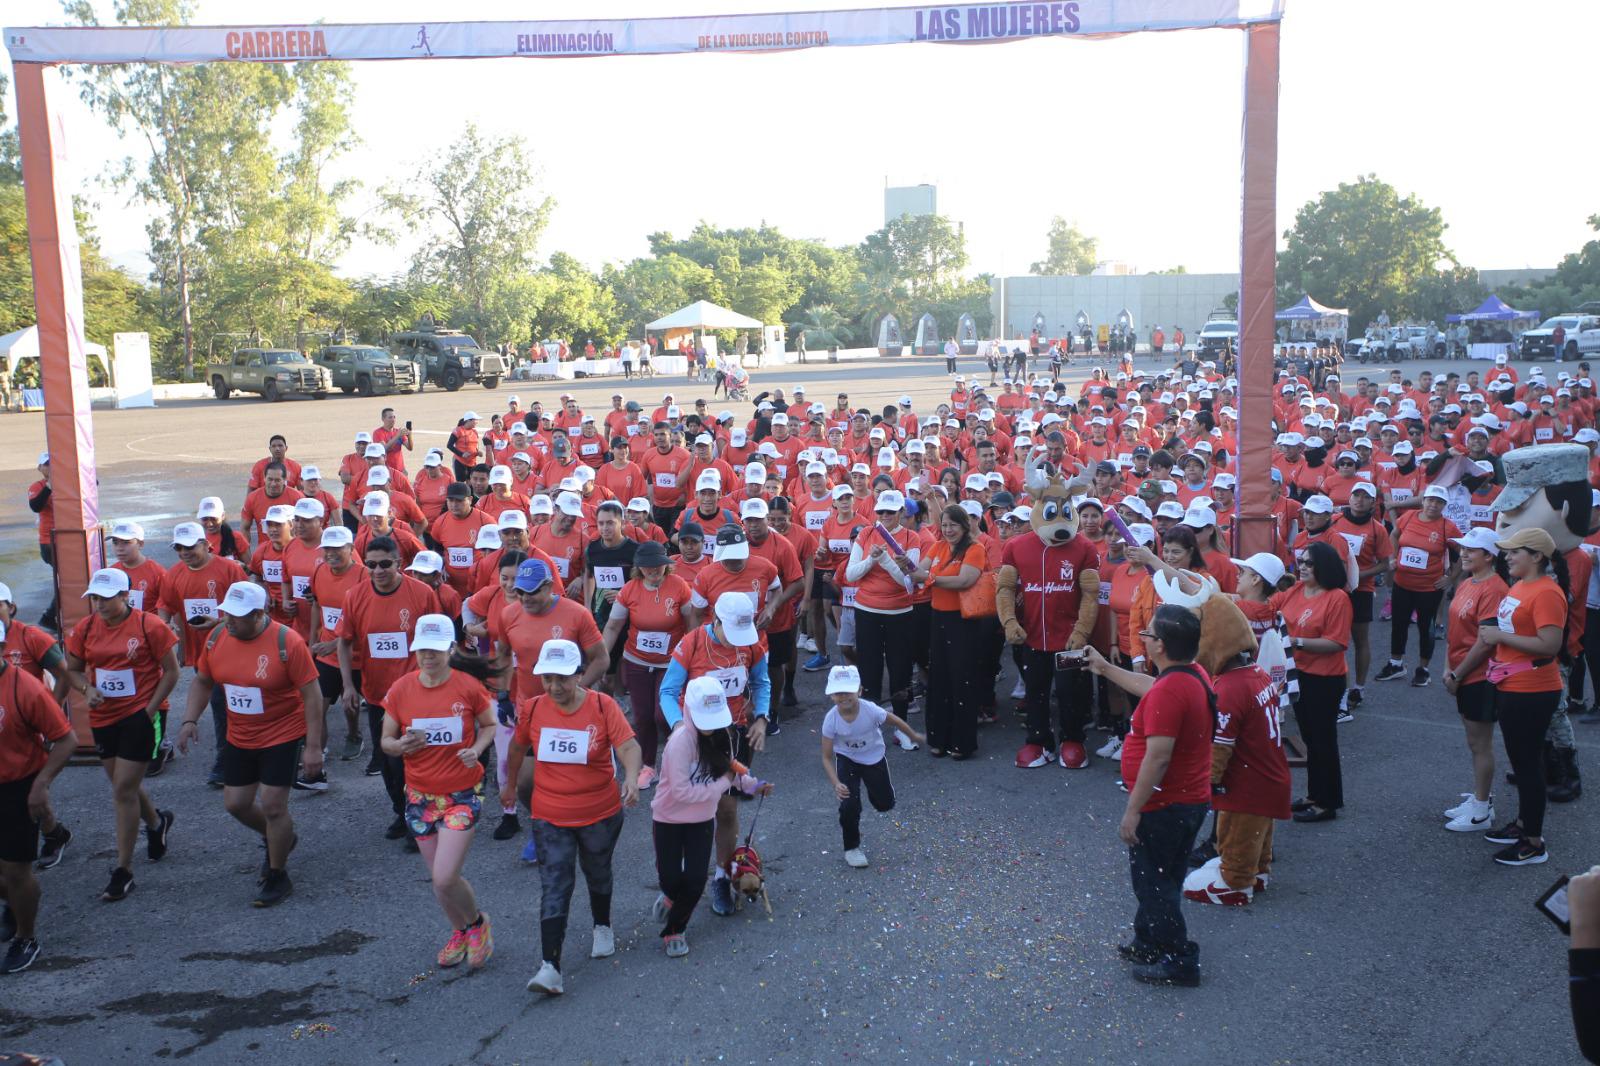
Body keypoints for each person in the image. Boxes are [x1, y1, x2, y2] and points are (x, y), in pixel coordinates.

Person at [501, 639, 642, 996]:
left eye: (562, 678)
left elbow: (628, 746)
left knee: (597, 872)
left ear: (579, 675)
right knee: (555, 884)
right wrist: (509, 784)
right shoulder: (533, 709)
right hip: (550, 814)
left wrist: (630, 778)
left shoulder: (602, 705)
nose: (554, 687)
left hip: (599, 812)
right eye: (547, 679)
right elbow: (517, 747)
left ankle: (602, 924)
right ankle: (550, 966)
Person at [175, 582, 323, 906]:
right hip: (240, 735)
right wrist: (188, 721)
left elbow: (312, 696)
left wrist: (313, 747)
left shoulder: (288, 642)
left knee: (273, 805)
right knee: (236, 804)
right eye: (226, 614)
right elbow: (202, 681)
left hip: (282, 733)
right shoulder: (216, 638)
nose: (229, 621)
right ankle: (280, 837)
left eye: (237, 617)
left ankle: (277, 874)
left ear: (259, 614)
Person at [1089, 604, 1213, 986]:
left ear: (1160, 645)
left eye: (1147, 634)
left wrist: (1133, 810)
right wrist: (1104, 667)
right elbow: (1154, 688)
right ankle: (1147, 942)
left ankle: (1179, 959)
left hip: (1165, 806)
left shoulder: (1168, 693)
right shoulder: (1190, 674)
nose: (1142, 638)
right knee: (1162, 876)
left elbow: (1158, 758)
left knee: (1154, 884)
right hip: (1188, 800)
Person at [380, 615, 497, 971]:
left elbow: (489, 725)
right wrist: (399, 746)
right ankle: (459, 930)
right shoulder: (401, 689)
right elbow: (385, 741)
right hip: (419, 795)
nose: (427, 657)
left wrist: (475, 750)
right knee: (439, 880)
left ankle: (478, 924)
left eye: (435, 650)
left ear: (450, 649)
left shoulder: (467, 687)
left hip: (462, 792)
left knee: (446, 875)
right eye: (421, 650)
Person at [62, 568, 181, 902]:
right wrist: (88, 689)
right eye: (95, 598)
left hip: (138, 716)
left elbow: (172, 672)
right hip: (103, 717)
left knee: (122, 791)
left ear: (125, 596)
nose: (99, 604)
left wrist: (149, 709)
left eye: (106, 597)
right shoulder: (85, 629)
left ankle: (123, 870)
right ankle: (157, 823)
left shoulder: (149, 625)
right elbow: (71, 670)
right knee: (123, 787)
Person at [659, 592, 771, 918]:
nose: (736, 642)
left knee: (726, 809)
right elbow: (667, 691)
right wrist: (681, 727)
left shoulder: (752, 645)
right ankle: (679, 878)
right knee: (690, 812)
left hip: (734, 735)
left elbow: (761, 683)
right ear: (716, 620)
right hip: (695, 737)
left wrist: (761, 717)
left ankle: (722, 876)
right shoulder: (692, 644)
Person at [651, 675, 770, 957]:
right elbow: (681, 791)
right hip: (668, 818)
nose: (710, 727)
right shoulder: (679, 742)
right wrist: (722, 784)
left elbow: (730, 766)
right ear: (690, 710)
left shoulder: (723, 735)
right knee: (670, 878)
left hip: (701, 820)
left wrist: (752, 784)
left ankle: (675, 930)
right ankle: (669, 897)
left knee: (694, 880)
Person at [336, 536, 442, 845]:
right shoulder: (355, 596)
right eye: (371, 565)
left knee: (413, 759)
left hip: (416, 693)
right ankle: (402, 810)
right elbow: (343, 641)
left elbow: (437, 641)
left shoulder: (421, 593)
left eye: (385, 564)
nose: (378, 570)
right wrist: (347, 686)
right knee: (387, 761)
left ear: (398, 563)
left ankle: (419, 818)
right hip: (377, 693)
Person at [1480, 526, 1570, 866]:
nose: (1507, 556)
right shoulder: (1521, 584)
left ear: (1536, 556)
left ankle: (1534, 842)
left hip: (1533, 688)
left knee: (1528, 765)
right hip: (1512, 684)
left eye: (1514, 551)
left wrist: (1499, 635)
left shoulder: (1547, 592)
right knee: (1520, 761)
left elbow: (1550, 645)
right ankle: (1523, 825)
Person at [0, 625, 77, 973]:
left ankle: (25, 936)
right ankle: (15, 906)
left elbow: (66, 739)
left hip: (17, 787)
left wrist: (41, 785)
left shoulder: (25, 687)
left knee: (16, 871)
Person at [156, 520, 249, 788]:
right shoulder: (174, 574)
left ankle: (229, 759)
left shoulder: (229, 569)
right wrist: (164, 623)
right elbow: (165, 604)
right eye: (179, 548)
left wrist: (219, 622)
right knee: (221, 705)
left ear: (206, 544)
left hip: (234, 648)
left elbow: (248, 609)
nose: (184, 553)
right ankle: (231, 757)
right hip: (202, 653)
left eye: (189, 547)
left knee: (228, 703)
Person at [600, 541, 690, 788]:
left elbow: (692, 623)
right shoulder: (630, 590)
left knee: (663, 716)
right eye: (647, 566)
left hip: (671, 663)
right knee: (642, 717)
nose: (653, 570)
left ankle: (678, 760)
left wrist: (692, 658)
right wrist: (602, 657)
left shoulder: (679, 586)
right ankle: (648, 765)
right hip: (637, 661)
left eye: (658, 565)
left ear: (666, 565)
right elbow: (613, 626)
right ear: (638, 567)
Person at [1440, 527, 1511, 832]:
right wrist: (1447, 668)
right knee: (1473, 741)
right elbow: (1453, 629)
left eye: (1472, 549)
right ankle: (1481, 797)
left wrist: (1457, 673)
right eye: (1463, 548)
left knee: (1480, 743)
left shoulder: (1494, 589)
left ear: (1489, 556)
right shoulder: (1467, 581)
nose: (1464, 553)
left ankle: (1482, 810)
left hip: (1479, 676)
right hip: (1461, 672)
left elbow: (1485, 642)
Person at [820, 664, 923, 869]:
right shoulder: (831, 720)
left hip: (874, 758)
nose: (843, 697)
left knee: (884, 804)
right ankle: (852, 848)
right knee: (849, 804)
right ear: (831, 695)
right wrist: (836, 783)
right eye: (838, 693)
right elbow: (826, 757)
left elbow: (895, 721)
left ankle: (878, 794)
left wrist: (912, 735)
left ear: (859, 690)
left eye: (848, 691)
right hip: (848, 760)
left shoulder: (871, 710)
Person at [1281, 541, 1353, 824]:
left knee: (1323, 740)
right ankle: (1314, 794)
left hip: (1325, 679)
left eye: (1309, 563)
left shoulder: (1337, 598)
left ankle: (1328, 801)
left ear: (1324, 566)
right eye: (1301, 561)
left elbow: (1336, 643)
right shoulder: (1297, 589)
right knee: (1310, 738)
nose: (1302, 567)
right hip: (1299, 675)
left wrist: (1295, 641)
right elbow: (1268, 607)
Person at [844, 491, 922, 750]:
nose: (885, 516)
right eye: (881, 512)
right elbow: (851, 573)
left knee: (900, 670)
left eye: (891, 512)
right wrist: (870, 560)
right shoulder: (866, 534)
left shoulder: (912, 537)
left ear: (901, 512)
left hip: (900, 613)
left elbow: (907, 582)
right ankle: (871, 727)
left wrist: (886, 560)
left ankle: (902, 730)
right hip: (867, 610)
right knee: (870, 669)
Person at [910, 504, 985, 758]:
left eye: (953, 524)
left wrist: (930, 578)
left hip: (963, 621)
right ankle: (939, 738)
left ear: (965, 526)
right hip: (938, 617)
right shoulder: (938, 546)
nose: (948, 529)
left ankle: (962, 742)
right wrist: (904, 565)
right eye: (944, 525)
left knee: (961, 678)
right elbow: (918, 571)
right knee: (939, 677)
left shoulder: (975, 549)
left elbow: (965, 580)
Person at [1375, 485, 1460, 688]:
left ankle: (1423, 669)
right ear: (1423, 501)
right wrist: (1393, 557)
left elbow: (1461, 554)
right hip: (1402, 582)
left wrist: (1450, 578)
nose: (1433, 505)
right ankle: (1396, 664)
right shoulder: (1409, 517)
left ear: (1444, 505)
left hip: (1429, 588)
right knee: (1399, 624)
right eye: (1430, 500)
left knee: (1426, 627)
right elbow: (1394, 535)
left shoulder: (1447, 526)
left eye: (1438, 502)